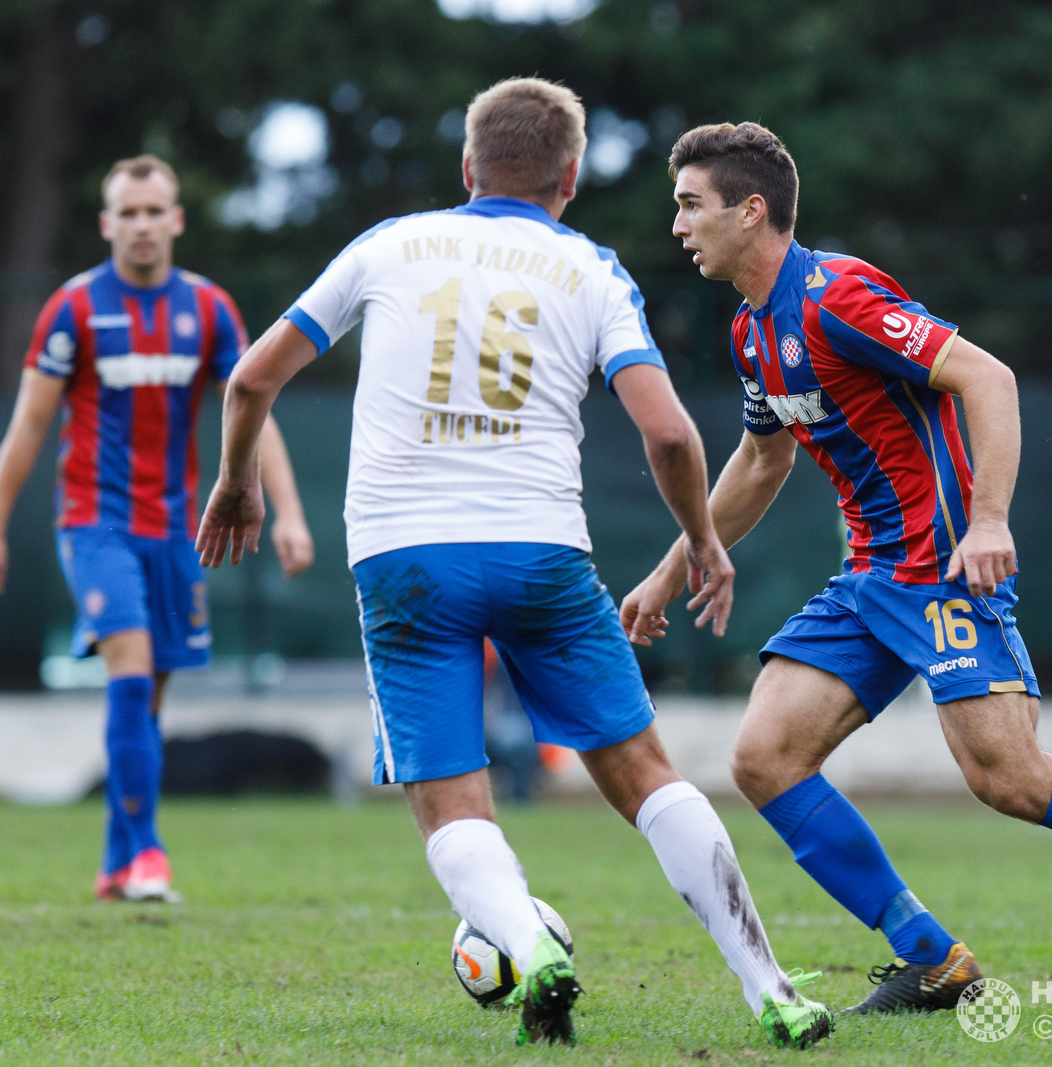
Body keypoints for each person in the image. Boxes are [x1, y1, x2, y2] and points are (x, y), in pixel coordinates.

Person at [196, 79, 832, 1049]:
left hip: (406, 558)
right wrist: (703, 540)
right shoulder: (590, 268)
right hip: (542, 554)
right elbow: (666, 432)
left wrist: (238, 479)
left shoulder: (387, 245)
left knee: (450, 796)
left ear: (466, 167)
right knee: (648, 776)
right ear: (570, 177)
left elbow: (250, 376)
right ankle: (770, 985)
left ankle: (530, 943)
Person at [620, 122, 1052, 1019]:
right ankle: (933, 958)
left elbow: (990, 378)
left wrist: (986, 521)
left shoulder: (840, 295)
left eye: (690, 205)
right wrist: (680, 565)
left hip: (941, 568)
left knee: (1009, 777)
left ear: (752, 211)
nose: (678, 224)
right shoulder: (753, 328)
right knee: (765, 758)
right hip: (869, 581)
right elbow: (762, 461)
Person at [0, 155, 314, 903]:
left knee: (146, 698)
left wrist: (288, 512)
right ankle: (149, 852)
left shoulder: (211, 310)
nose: (143, 224)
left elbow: (255, 412)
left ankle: (116, 861)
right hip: (94, 525)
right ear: (106, 223)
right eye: (129, 212)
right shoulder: (74, 308)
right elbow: (28, 426)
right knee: (128, 667)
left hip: (177, 531)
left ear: (177, 219)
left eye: (156, 211)